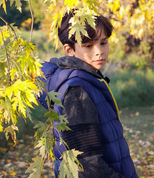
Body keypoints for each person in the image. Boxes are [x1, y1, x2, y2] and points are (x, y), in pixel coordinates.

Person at [40, 10, 138, 178]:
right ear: (69, 50)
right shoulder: (76, 91)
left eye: (103, 42)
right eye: (88, 46)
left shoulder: (90, 80)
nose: (99, 51)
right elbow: (87, 163)